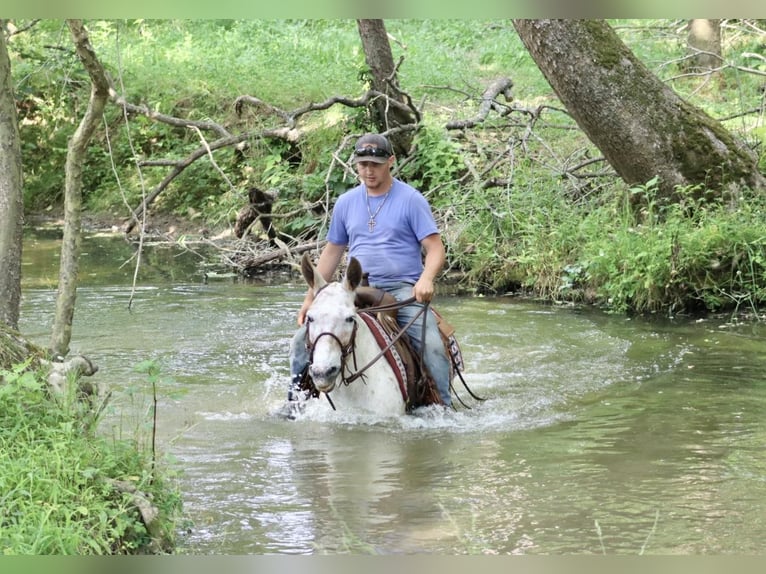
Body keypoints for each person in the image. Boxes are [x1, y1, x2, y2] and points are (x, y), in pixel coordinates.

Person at [286, 132, 452, 411]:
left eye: (375, 164)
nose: (368, 170)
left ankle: (443, 410)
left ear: (391, 161)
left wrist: (426, 279)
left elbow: (436, 248)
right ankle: (294, 403)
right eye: (363, 164)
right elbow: (333, 251)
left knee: (432, 345)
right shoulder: (346, 202)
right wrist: (310, 298)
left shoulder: (411, 200)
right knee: (301, 340)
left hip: (402, 289)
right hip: (355, 288)